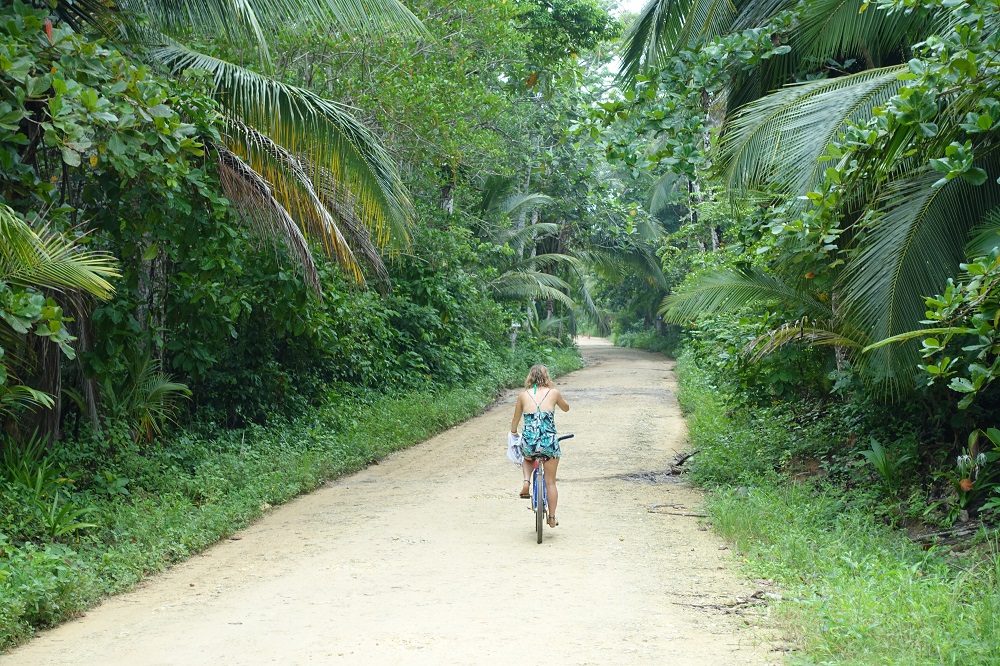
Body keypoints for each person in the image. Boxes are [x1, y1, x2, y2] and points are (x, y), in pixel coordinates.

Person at [510, 364, 569, 527]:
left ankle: (526, 481)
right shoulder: (554, 393)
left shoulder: (523, 395)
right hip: (549, 442)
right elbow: (566, 408)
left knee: (527, 457)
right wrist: (553, 390)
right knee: (550, 482)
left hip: (530, 440)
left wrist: (514, 434)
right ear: (547, 378)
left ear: (530, 378)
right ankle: (551, 517)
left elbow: (515, 421)